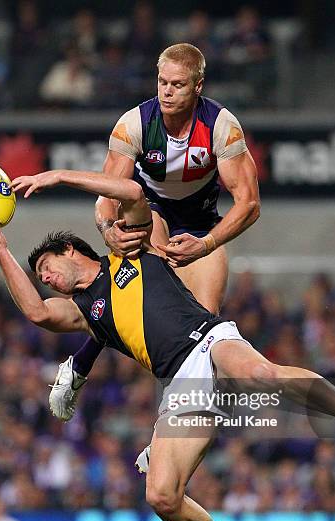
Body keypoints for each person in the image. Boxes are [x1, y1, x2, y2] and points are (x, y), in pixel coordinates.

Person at [0, 169, 335, 521]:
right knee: (161, 497)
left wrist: (59, 178)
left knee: (262, 376)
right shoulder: (86, 312)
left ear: (69, 249)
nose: (44, 279)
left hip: (208, 339)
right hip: (180, 384)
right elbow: (37, 313)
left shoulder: (129, 251)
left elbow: (132, 192)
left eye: (46, 267)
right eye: (41, 277)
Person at [48, 42, 260, 422]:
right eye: (162, 81)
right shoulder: (135, 125)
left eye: (177, 84)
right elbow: (108, 191)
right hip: (152, 211)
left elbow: (249, 204)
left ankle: (163, 420)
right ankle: (79, 366)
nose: (166, 91)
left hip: (201, 222)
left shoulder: (221, 127)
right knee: (142, 289)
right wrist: (107, 227)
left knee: (199, 328)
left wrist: (208, 243)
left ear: (198, 86)